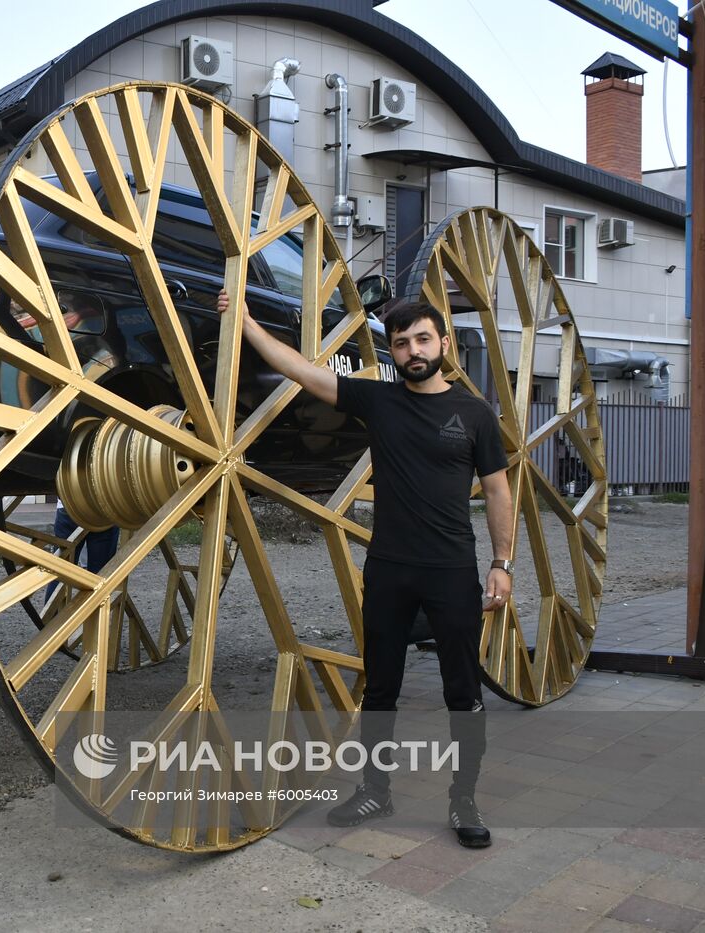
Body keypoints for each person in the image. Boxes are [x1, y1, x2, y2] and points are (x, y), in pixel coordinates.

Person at [216, 290, 512, 849]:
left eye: (423, 339)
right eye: (401, 343)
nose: (413, 350)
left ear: (443, 344)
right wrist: (248, 324)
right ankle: (375, 790)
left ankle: (463, 799)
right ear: (394, 353)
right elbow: (303, 372)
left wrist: (502, 563)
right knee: (380, 688)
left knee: (462, 690)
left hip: (452, 571)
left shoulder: (474, 414)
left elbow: (498, 490)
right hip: (389, 570)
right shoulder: (379, 401)